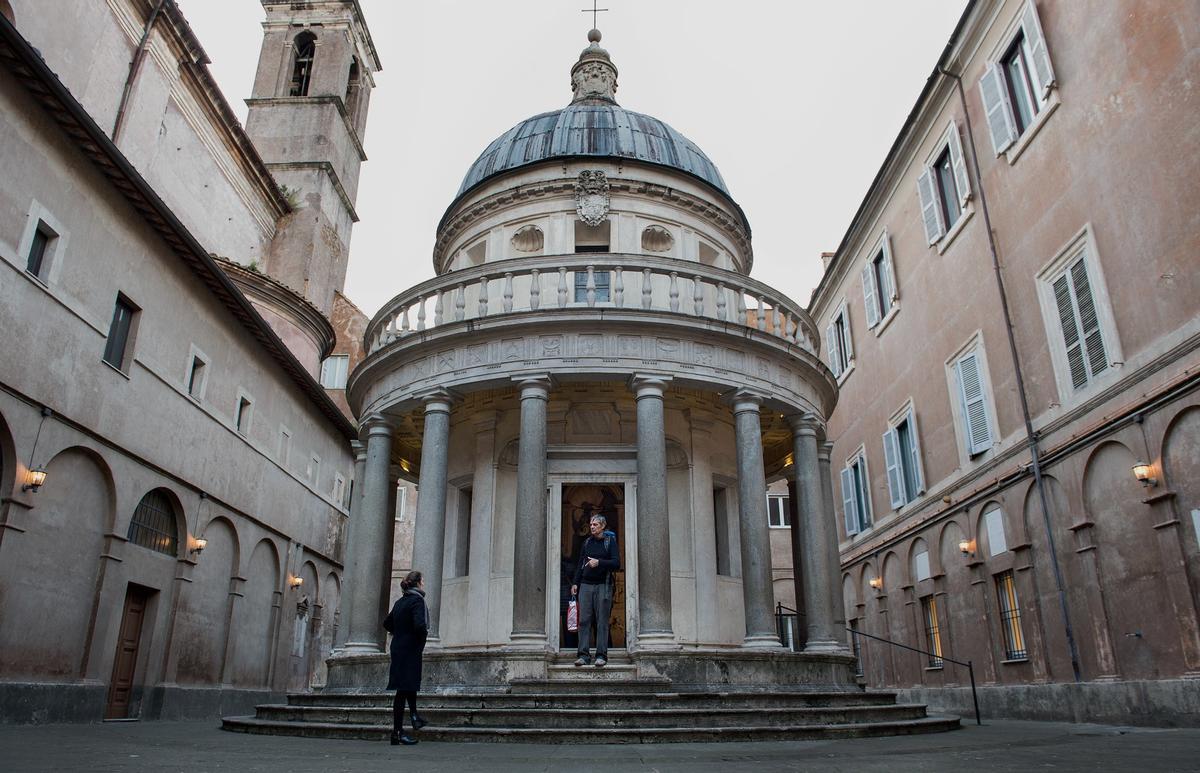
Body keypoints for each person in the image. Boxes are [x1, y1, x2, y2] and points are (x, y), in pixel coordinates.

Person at [382, 570, 429, 745]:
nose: (423, 583)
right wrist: (420, 641)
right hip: (410, 648)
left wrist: (399, 633)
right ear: (418, 582)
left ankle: (415, 717)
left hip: (398, 647)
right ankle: (397, 732)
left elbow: (387, 623)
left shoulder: (400, 601)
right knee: (403, 690)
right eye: (422, 580)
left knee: (407, 686)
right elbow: (420, 625)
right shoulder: (417, 600)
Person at [570, 514, 620, 667]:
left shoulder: (609, 542)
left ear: (603, 526)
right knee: (584, 621)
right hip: (585, 585)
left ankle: (601, 656)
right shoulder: (586, 543)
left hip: (603, 585)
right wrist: (575, 583)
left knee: (602, 621)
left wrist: (599, 562)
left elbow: (616, 563)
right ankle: (583, 656)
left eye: (595, 524)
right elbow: (580, 564)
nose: (592, 527)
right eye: (591, 524)